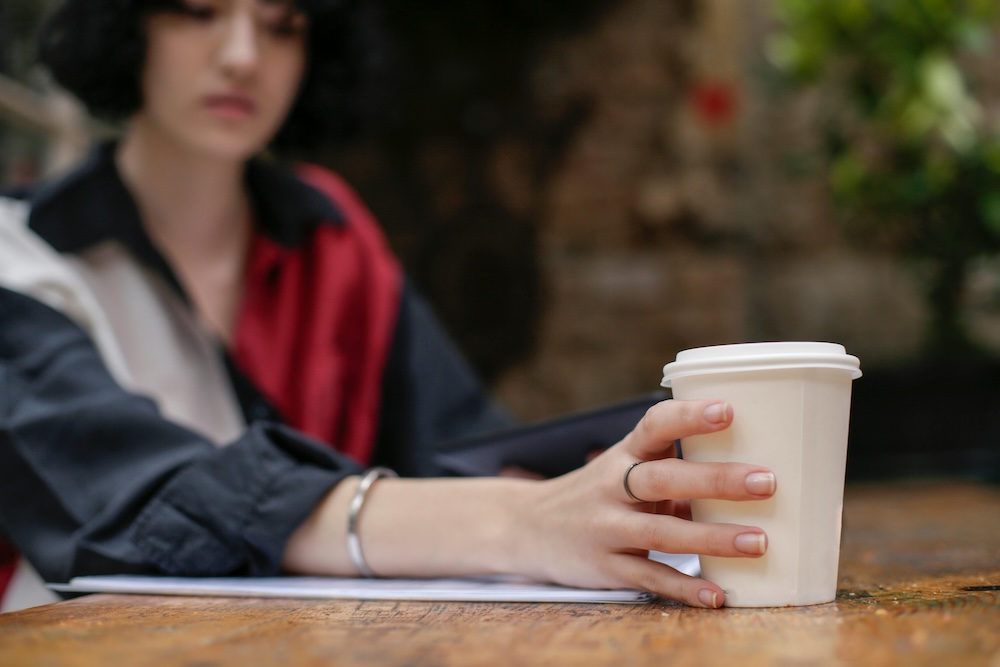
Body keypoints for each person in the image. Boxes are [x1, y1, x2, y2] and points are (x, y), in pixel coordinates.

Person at [0, 0, 776, 613]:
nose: (242, 56)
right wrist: (519, 520)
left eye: (283, 24)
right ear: (126, 24)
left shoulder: (333, 239)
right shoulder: (20, 259)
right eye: (198, 11)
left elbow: (463, 443)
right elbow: (131, 491)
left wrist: (602, 491)